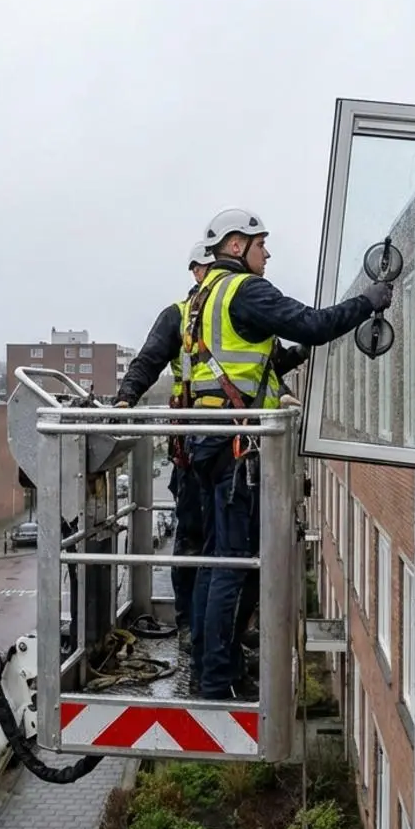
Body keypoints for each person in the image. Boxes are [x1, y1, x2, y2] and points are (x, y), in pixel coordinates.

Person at [182, 207, 392, 700]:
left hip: (209, 441)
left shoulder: (204, 297)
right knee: (235, 563)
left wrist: (295, 356)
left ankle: (215, 667)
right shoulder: (245, 290)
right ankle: (217, 678)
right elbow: (313, 324)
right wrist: (367, 302)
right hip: (233, 445)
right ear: (236, 246)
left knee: (220, 560)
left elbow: (259, 358)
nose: (268, 253)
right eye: (261, 244)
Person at [114, 242, 307, 673]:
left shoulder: (230, 311)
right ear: (195, 271)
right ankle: (193, 631)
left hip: (227, 444)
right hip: (197, 450)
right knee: (195, 543)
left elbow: (267, 366)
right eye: (202, 269)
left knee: (232, 551)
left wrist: (304, 352)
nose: (208, 276)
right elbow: (148, 361)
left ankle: (221, 638)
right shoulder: (179, 315)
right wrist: (125, 400)